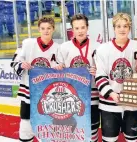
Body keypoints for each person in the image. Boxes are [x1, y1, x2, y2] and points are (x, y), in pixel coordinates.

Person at [11, 17, 60, 142]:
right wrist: (21, 65)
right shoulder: (28, 43)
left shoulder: (58, 48)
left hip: (47, 96)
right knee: (26, 127)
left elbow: (62, 71)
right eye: (43, 28)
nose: (46, 31)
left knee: (48, 128)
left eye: (49, 28)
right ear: (38, 29)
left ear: (53, 29)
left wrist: (61, 68)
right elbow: (14, 62)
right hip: (28, 93)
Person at [94, 13, 137, 142]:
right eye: (119, 26)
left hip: (132, 103)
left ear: (129, 28)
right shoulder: (103, 49)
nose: (122, 29)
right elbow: (100, 75)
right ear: (114, 28)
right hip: (109, 104)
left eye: (125, 26)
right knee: (109, 139)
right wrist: (112, 94)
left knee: (132, 139)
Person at [54, 13, 100, 142]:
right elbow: (56, 70)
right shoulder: (64, 47)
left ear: (87, 27)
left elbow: (104, 71)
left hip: (92, 94)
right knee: (74, 127)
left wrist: (98, 71)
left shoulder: (97, 46)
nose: (80, 31)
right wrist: (59, 67)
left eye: (82, 27)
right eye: (77, 28)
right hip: (72, 96)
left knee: (92, 127)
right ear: (72, 29)